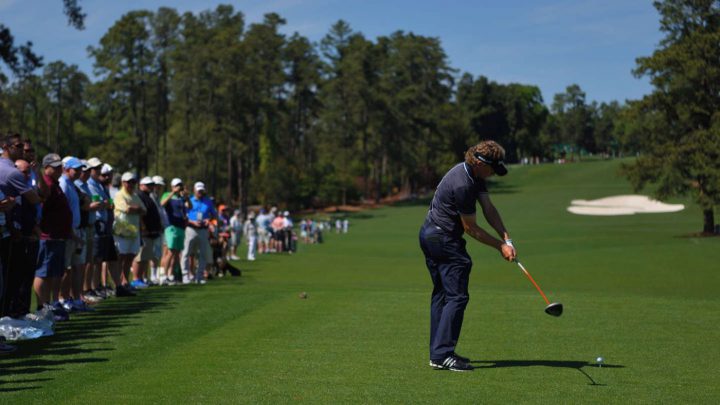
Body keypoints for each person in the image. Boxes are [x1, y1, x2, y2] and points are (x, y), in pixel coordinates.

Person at [419, 140, 516, 372]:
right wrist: (499, 247)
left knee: (443, 294)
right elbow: (470, 228)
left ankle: (438, 353)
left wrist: (507, 238)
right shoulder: (463, 184)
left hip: (429, 234)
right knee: (457, 295)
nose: (493, 173)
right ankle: (443, 354)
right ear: (481, 163)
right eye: (492, 168)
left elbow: (488, 208)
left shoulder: (474, 174)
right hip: (442, 238)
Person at [34, 153, 72, 321]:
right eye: (55, 167)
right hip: (47, 236)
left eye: (60, 167)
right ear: (46, 168)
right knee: (43, 273)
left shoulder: (55, 183)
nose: (59, 170)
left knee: (51, 274)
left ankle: (48, 306)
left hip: (57, 236)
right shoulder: (46, 183)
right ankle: (42, 308)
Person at [113, 172, 146, 290]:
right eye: (128, 182)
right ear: (123, 183)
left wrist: (134, 208)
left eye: (133, 182)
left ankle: (125, 281)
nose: (131, 184)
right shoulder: (119, 195)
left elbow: (144, 210)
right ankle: (119, 282)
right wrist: (136, 208)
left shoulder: (135, 196)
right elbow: (126, 209)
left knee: (130, 256)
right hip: (122, 231)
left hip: (133, 231)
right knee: (121, 257)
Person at [131, 177, 163, 288]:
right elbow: (141, 214)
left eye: (152, 185)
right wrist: (143, 227)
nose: (151, 187)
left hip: (151, 232)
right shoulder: (140, 195)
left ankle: (142, 278)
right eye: (148, 184)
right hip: (144, 231)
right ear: (141, 185)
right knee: (139, 257)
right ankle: (136, 279)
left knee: (145, 257)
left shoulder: (149, 197)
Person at [182, 182, 215, 284]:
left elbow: (213, 214)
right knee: (186, 253)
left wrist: (208, 220)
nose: (200, 192)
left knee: (203, 254)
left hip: (203, 230)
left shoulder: (208, 201)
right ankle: (185, 276)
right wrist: (192, 222)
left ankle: (199, 276)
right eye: (198, 190)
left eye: (202, 190)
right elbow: (183, 215)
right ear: (194, 190)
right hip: (191, 229)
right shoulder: (189, 200)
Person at [161, 178, 190, 285]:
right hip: (170, 226)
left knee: (177, 252)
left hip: (181, 227)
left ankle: (173, 275)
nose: (179, 187)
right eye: (177, 185)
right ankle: (164, 276)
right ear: (172, 186)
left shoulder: (181, 198)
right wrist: (172, 193)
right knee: (171, 251)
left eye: (180, 185)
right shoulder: (167, 194)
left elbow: (189, 207)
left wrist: (186, 197)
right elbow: (162, 203)